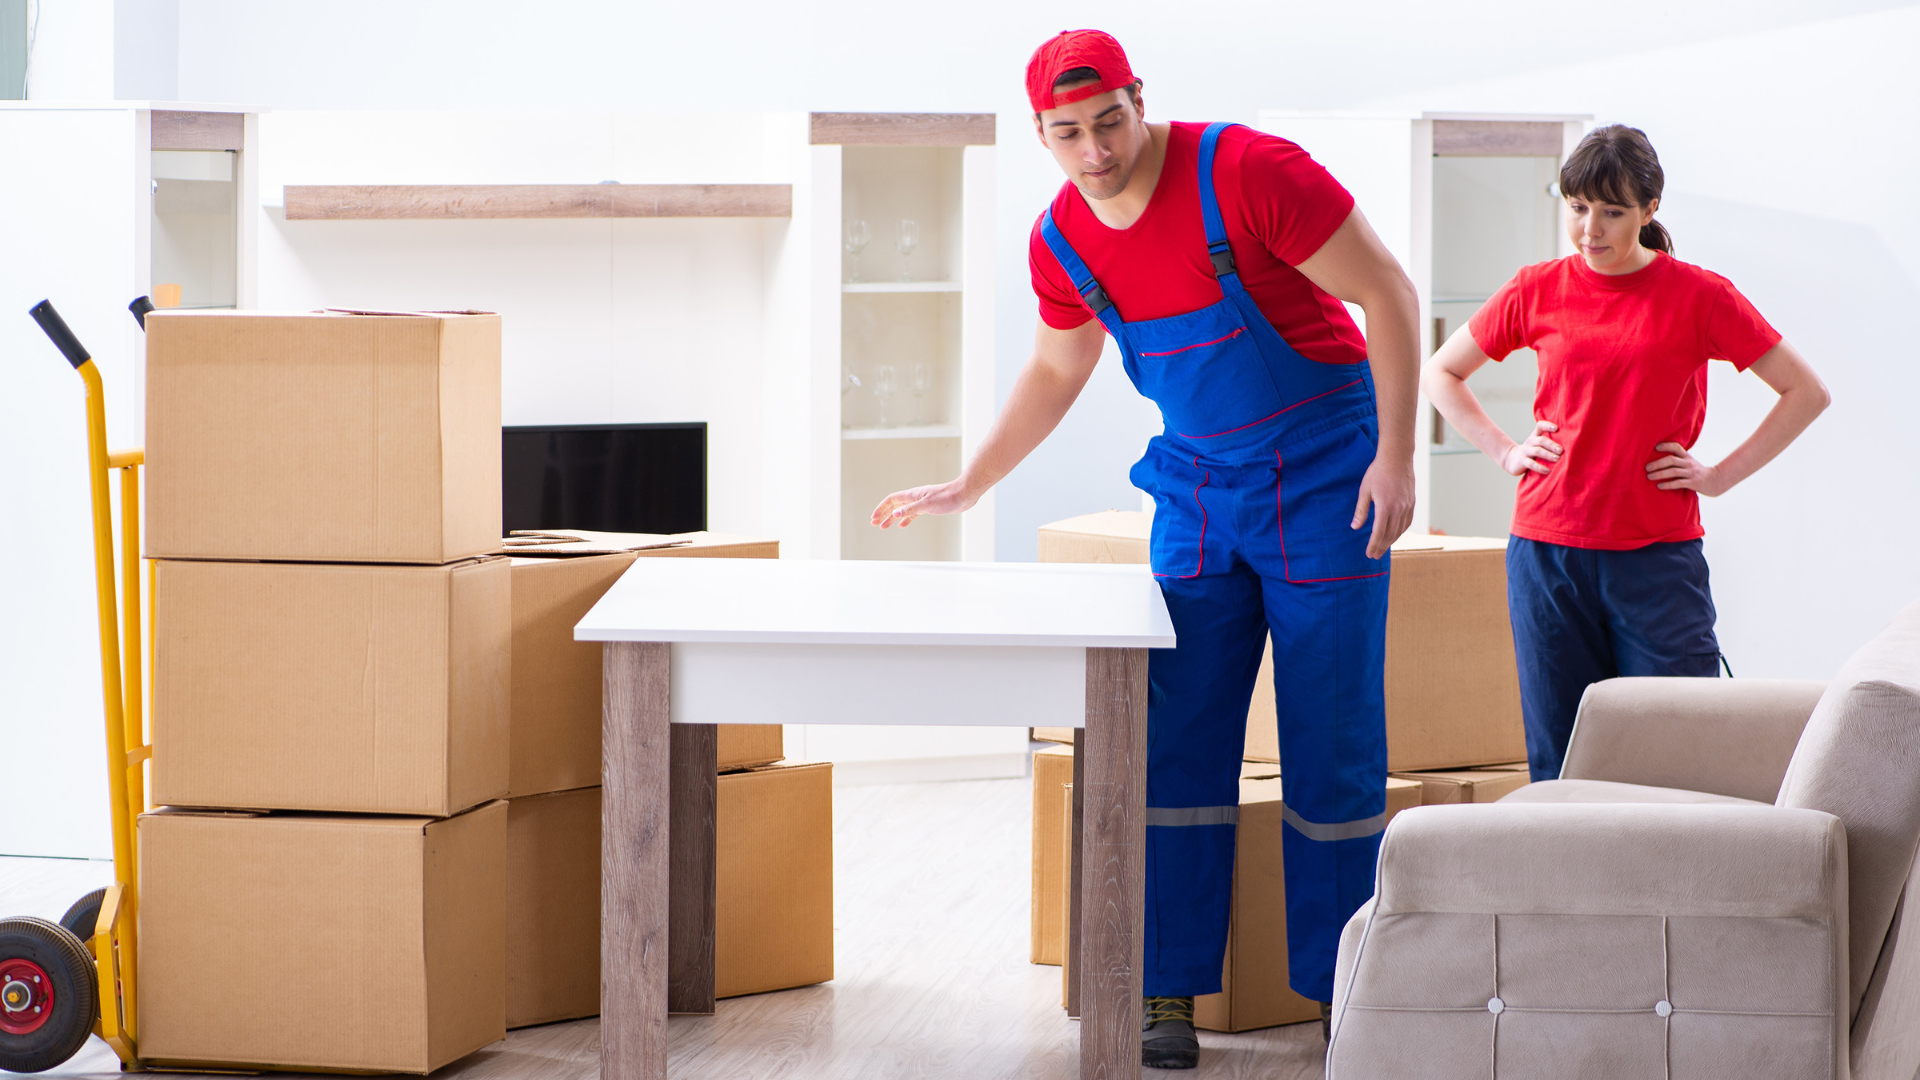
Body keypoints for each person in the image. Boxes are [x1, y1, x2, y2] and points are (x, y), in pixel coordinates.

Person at [870, 30, 1420, 1067]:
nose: (1094, 151)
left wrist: (1395, 458)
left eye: (1109, 121)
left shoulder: (1248, 172)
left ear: (1138, 98)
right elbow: (1053, 369)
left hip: (1326, 478)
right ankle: (1165, 984)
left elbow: (1385, 291)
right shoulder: (1063, 241)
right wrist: (970, 479)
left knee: (1331, 738)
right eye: (1067, 133)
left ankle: (1350, 991)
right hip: (1201, 492)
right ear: (1041, 132)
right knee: (1172, 739)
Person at [1424, 124, 1829, 784]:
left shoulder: (1700, 295)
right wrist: (1503, 451)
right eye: (1578, 208)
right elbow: (1442, 372)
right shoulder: (1536, 288)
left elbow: (1804, 392)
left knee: (1680, 752)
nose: (1591, 230)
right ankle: (1569, 887)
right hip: (1548, 554)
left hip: (1656, 560)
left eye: (1612, 212)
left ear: (1649, 210)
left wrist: (1718, 477)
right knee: (1561, 758)